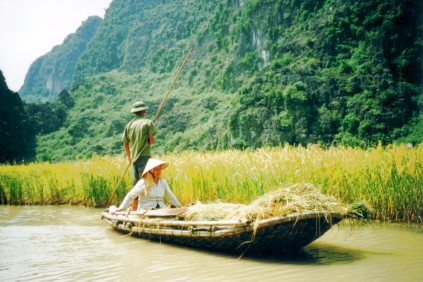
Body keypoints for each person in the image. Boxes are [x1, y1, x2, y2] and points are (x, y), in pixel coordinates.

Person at [116, 158, 182, 212]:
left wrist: (180, 207)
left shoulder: (163, 182)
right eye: (156, 169)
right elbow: (130, 196)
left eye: (160, 169)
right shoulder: (143, 182)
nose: (159, 171)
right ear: (150, 171)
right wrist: (121, 208)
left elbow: (170, 196)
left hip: (161, 210)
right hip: (146, 211)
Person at [122, 100, 157, 185]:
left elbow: (125, 143)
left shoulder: (129, 125)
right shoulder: (148, 123)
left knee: (136, 184)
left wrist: (129, 157)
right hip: (144, 156)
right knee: (146, 182)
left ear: (134, 112)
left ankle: (136, 198)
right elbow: (152, 141)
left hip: (134, 158)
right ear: (143, 111)